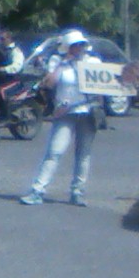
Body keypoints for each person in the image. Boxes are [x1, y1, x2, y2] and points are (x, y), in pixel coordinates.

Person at [20, 30, 99, 207]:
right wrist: (64, 63)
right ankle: (37, 190)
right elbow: (48, 83)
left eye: (81, 45)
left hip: (88, 112)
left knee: (83, 154)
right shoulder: (58, 62)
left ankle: (78, 191)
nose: (79, 48)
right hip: (65, 113)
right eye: (75, 45)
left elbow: (105, 85)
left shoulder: (93, 62)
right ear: (68, 47)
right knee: (54, 152)